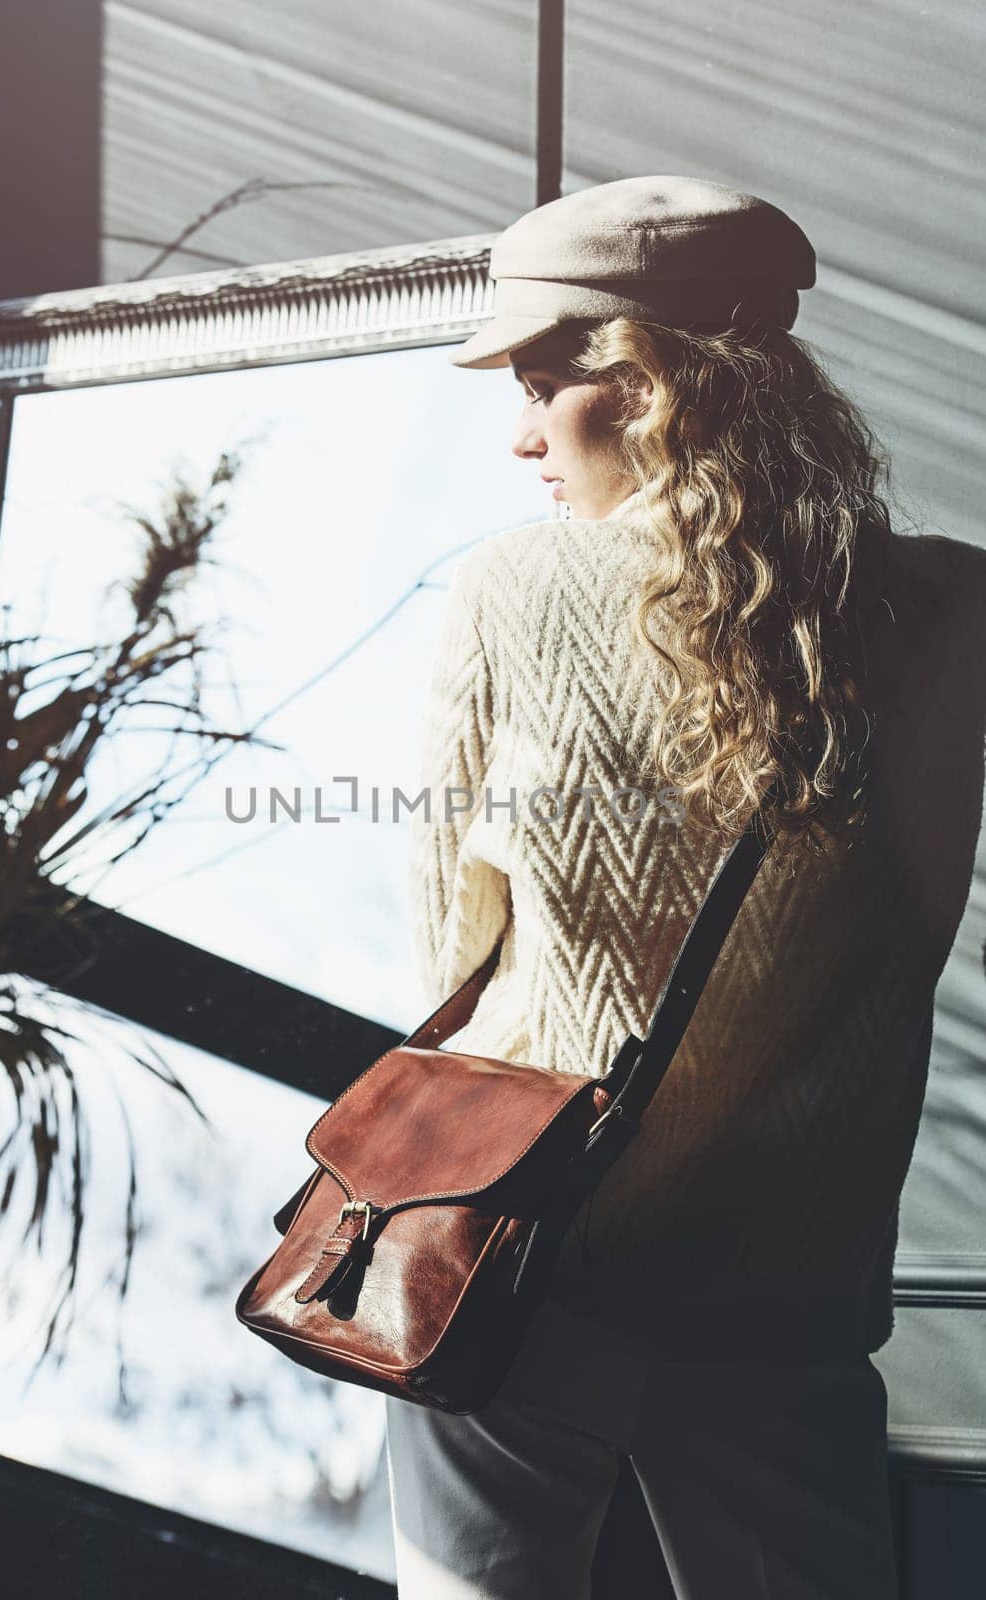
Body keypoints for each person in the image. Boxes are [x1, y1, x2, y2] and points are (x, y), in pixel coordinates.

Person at [383, 176, 986, 1599]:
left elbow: (444, 953)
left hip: (522, 1267)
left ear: (642, 383)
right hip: (789, 1302)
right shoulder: (952, 611)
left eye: (542, 382)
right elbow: (916, 919)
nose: (523, 433)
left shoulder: (511, 590)